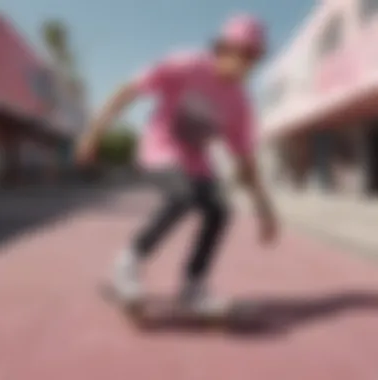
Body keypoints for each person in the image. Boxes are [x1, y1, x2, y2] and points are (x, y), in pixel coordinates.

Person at [76, 14, 279, 313]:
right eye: (242, 53)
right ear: (223, 48)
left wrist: (265, 210)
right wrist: (94, 133)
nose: (246, 64)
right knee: (183, 196)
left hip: (197, 162)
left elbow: (245, 161)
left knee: (220, 210)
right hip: (159, 151)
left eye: (253, 58)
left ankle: (193, 287)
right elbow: (128, 91)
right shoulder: (187, 65)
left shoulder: (239, 103)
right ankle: (126, 266)